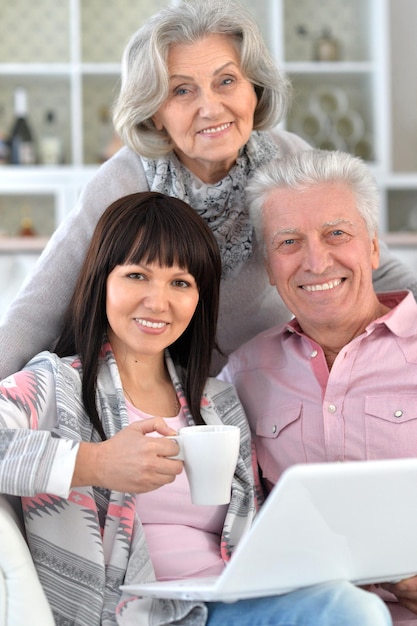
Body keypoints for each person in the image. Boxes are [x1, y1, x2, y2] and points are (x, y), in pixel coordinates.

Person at [0, 191, 391, 626]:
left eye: (180, 283)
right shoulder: (56, 385)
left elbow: (251, 532)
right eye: (136, 276)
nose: (158, 301)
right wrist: (95, 463)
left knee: (352, 608)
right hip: (127, 613)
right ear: (101, 281)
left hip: (233, 602)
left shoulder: (218, 401)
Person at [0, 0, 415, 379]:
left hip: (275, 383)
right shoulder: (123, 182)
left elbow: (378, 267)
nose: (211, 107)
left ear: (255, 89)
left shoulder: (288, 159)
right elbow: (38, 311)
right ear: (154, 112)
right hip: (163, 394)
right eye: (182, 90)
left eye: (227, 81)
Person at [219, 149, 417, 625]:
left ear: (372, 247)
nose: (316, 260)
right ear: (269, 267)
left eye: (336, 234)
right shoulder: (242, 373)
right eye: (289, 242)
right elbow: (227, 526)